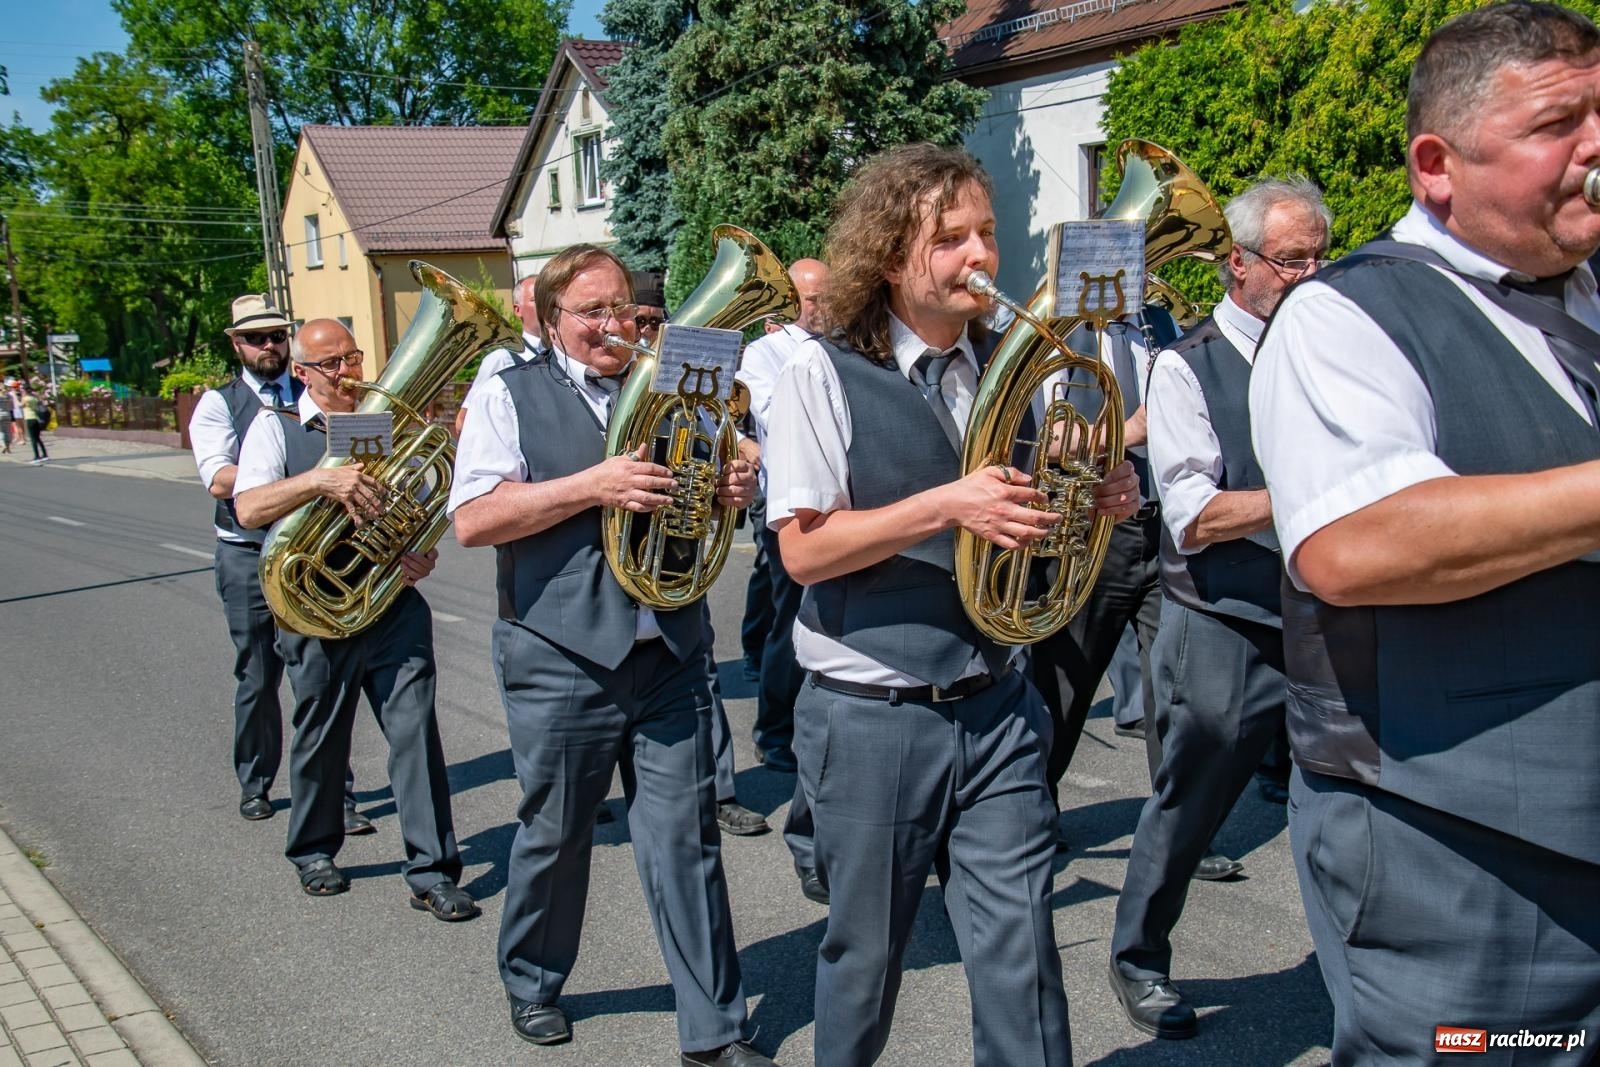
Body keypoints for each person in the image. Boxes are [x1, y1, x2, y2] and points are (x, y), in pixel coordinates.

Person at [1252, 4, 1600, 1060]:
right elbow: (1355, 541)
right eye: (1560, 123)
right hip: (1462, 852)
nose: (1595, 151)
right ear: (1437, 163)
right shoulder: (1340, 314)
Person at [764, 142, 1140, 1066]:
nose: (980, 256)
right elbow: (804, 551)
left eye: (987, 233)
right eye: (951, 239)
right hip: (872, 710)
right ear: (892, 257)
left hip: (997, 699)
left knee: (1023, 958)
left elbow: (1040, 510)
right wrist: (946, 503)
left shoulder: (1013, 364)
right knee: (869, 959)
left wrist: (1092, 496)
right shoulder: (817, 371)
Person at [449, 244, 774, 1064]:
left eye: (621, 309)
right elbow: (475, 518)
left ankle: (716, 1026)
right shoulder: (508, 389)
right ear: (549, 317)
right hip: (560, 652)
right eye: (590, 311)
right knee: (556, 833)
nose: (611, 325)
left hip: (667, 646)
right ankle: (532, 977)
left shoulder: (674, 384)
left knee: (686, 838)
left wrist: (736, 490)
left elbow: (712, 487)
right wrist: (590, 485)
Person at [1108, 177, 1330, 1040]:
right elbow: (1196, 514)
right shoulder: (1183, 364)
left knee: (1341, 801)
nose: (1309, 276)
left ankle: (1365, 969)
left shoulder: (1322, 348)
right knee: (1190, 799)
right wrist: (1310, 492)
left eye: (1319, 257)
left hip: (1315, 610)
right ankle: (1138, 955)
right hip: (1224, 618)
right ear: (1237, 264)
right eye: (1289, 260)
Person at [234, 319, 474, 921]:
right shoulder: (276, 428)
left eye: (353, 357)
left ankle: (433, 871)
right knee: (322, 733)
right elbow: (246, 507)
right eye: (333, 364)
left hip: (390, 603)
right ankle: (314, 850)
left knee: (416, 736)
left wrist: (419, 550)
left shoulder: (377, 420)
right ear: (303, 372)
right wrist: (318, 479)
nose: (349, 372)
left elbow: (414, 501)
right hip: (316, 607)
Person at [189, 295, 368, 831]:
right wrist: (281, 465)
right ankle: (257, 779)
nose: (267, 344)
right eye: (255, 338)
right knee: (258, 671)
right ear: (236, 344)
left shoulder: (319, 393)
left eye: (276, 336)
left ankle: (338, 795)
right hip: (248, 553)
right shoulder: (219, 404)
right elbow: (221, 480)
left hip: (316, 555)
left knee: (320, 679)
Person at [735, 258, 832, 903]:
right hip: (785, 507)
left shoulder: (840, 346)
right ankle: (775, 731)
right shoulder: (768, 352)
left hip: (837, 506)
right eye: (812, 297)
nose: (823, 306)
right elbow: (752, 425)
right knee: (786, 628)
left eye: (829, 295)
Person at [454, 274, 545, 438]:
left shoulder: (565, 356)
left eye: (548, 297)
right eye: (536, 299)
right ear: (517, 310)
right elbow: (463, 421)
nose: (545, 304)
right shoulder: (501, 358)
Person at [20, 383, 48, 464]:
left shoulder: (25, 398)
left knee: (33, 439)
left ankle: (36, 456)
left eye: (22, 389)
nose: (21, 390)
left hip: (29, 418)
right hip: (36, 418)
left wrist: (15, 397)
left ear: (24, 390)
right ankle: (45, 454)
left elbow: (20, 406)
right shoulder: (34, 398)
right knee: (38, 438)